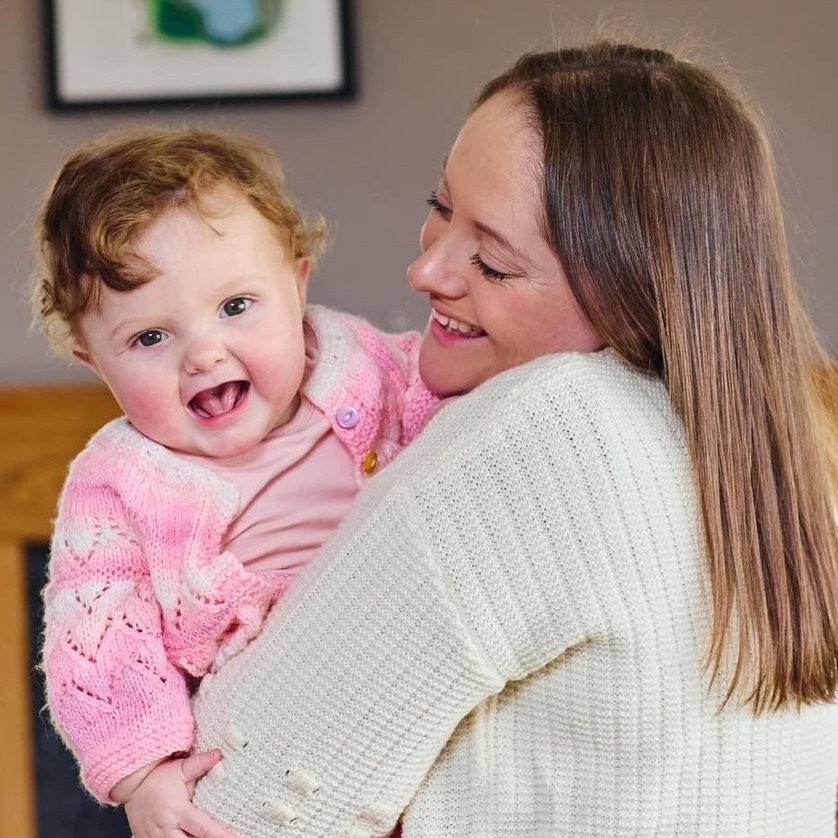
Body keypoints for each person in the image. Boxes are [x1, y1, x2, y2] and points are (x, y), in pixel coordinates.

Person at [188, 40, 838, 836]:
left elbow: (230, 799)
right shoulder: (782, 446)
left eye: (492, 262)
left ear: (630, 296)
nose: (426, 273)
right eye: (440, 205)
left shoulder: (554, 426)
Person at [33, 127, 437, 838]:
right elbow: (96, 641)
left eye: (236, 306)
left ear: (298, 285)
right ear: (95, 364)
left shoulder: (370, 367)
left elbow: (461, 423)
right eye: (150, 338)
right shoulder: (118, 484)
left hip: (422, 683)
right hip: (281, 747)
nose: (204, 353)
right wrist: (145, 778)